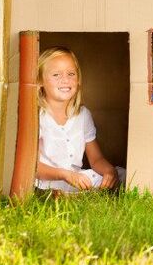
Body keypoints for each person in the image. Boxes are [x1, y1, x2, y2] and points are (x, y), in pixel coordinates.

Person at [35, 46, 125, 193]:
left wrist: (109, 171)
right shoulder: (38, 116)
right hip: (47, 183)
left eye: (71, 74)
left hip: (76, 179)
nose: (65, 80)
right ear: (40, 81)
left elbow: (96, 159)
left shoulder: (83, 115)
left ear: (78, 80)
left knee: (122, 174)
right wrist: (65, 175)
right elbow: (34, 167)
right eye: (56, 75)